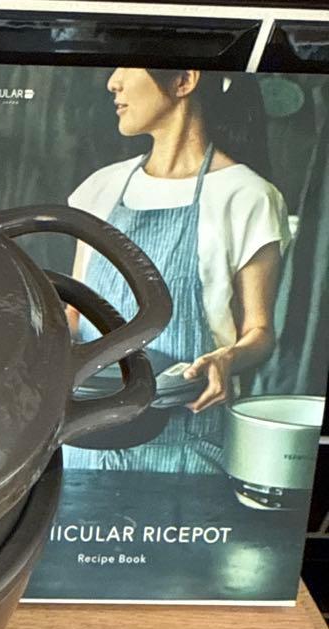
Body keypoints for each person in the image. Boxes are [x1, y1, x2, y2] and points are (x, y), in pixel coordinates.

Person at [66, 68, 290, 473]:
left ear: (184, 81)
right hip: (86, 444)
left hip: (186, 447)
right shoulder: (100, 188)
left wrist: (226, 359)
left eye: (127, 68)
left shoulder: (247, 196)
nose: (112, 82)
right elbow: (75, 314)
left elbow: (260, 332)